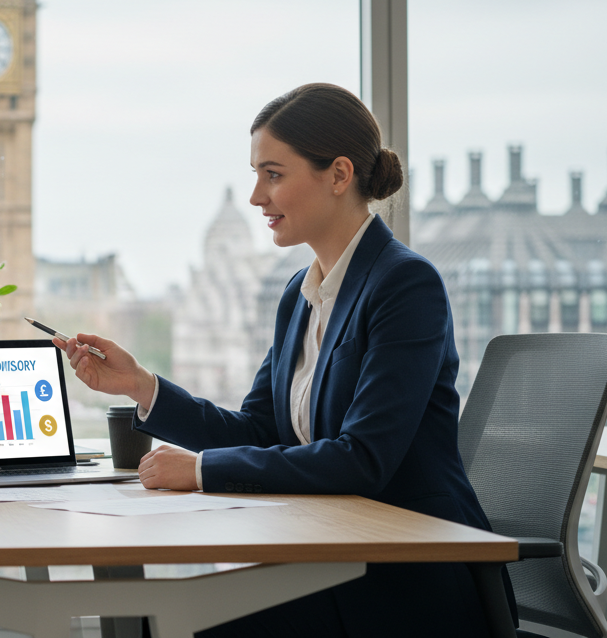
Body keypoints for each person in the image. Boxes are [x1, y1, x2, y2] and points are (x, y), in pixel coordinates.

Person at [55, 83, 511, 637]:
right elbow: (260, 429)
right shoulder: (300, 293)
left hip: (406, 574)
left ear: (339, 175)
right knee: (157, 617)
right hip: (329, 554)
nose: (255, 196)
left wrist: (200, 471)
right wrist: (142, 386)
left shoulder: (404, 284)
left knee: (174, 623)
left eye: (272, 174)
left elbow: (362, 459)